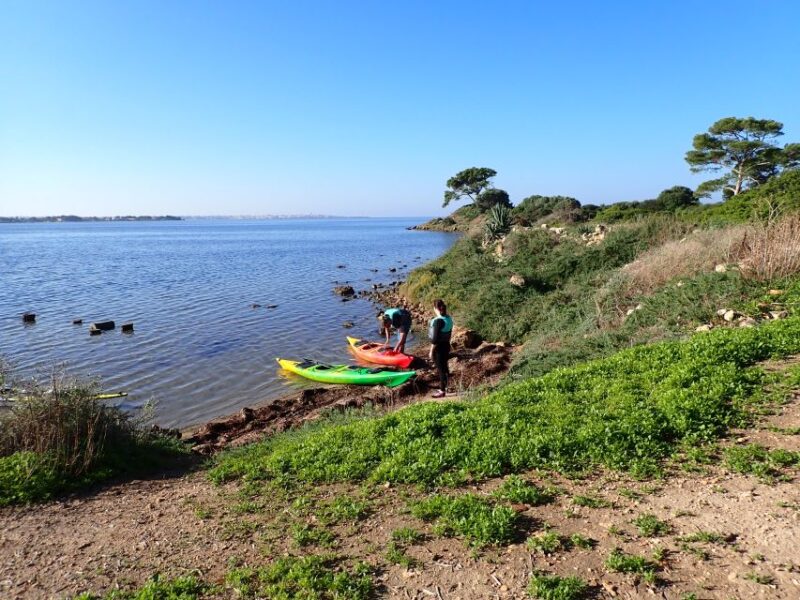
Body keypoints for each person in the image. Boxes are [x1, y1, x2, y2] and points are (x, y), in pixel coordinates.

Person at [428, 299, 453, 398]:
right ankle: (445, 386)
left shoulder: (438, 321)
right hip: (446, 346)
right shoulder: (449, 318)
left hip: (439, 349)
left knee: (441, 370)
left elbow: (434, 340)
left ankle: (442, 391)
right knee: (445, 367)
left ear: (435, 308)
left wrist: (431, 351)